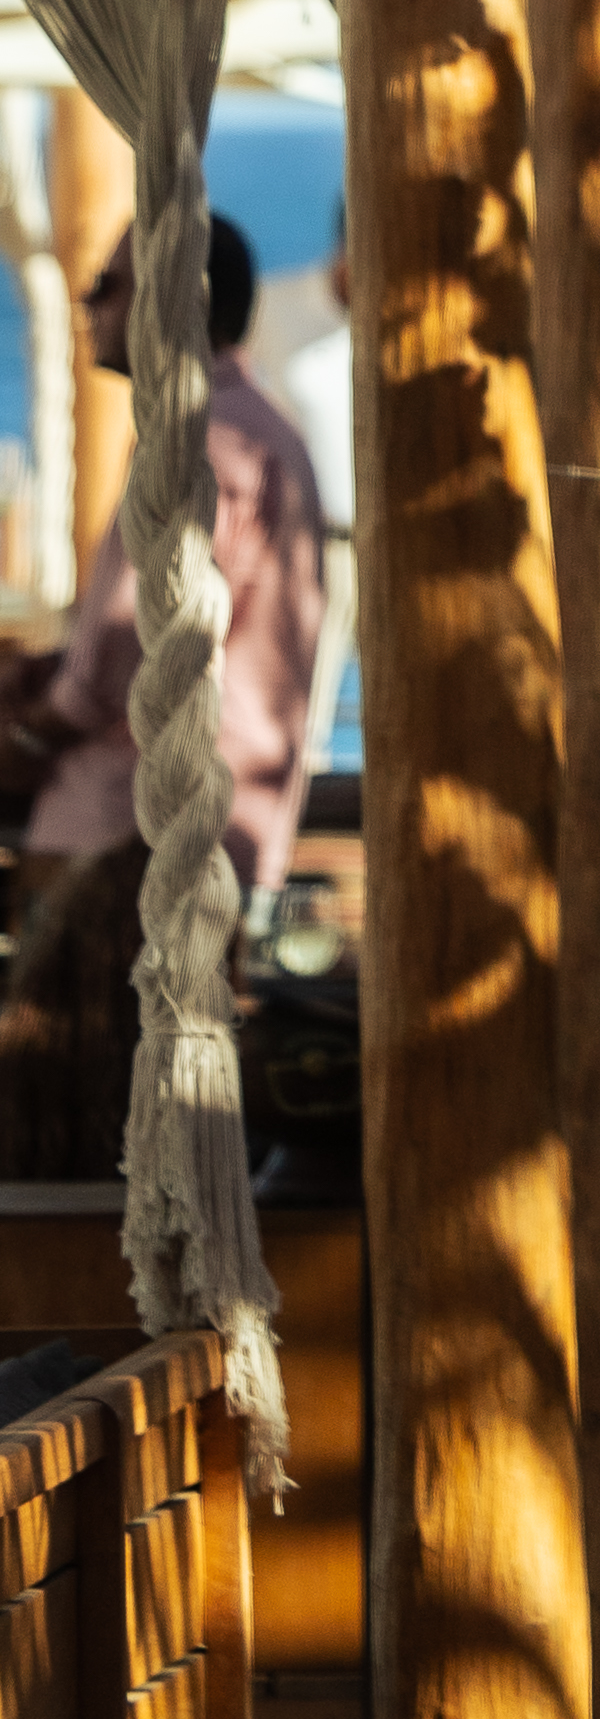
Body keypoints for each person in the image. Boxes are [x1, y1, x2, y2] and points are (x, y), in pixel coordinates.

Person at [0, 213, 329, 1174]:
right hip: (179, 842)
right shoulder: (248, 434)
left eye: (108, 285)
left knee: (93, 1139)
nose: (87, 301)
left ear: (168, 306)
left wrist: (26, 735)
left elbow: (116, 666)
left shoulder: (205, 448)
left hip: (127, 852)